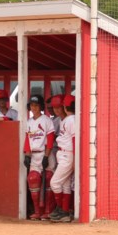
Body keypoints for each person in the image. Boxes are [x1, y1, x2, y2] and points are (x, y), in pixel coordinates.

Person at [24, 95, 55, 220]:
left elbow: (51, 139)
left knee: (48, 179)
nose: (34, 108)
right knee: (33, 179)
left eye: (36, 105)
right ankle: (37, 211)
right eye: (32, 105)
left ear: (41, 106)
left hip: (45, 153)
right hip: (34, 155)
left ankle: (47, 211)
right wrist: (27, 155)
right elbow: (27, 139)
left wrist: (46, 156)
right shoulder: (29, 122)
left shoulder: (46, 120)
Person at [48, 94, 77, 223]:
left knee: (54, 183)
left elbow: (75, 140)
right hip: (63, 154)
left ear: (65, 107)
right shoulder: (65, 120)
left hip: (68, 154)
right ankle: (65, 214)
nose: (57, 110)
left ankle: (62, 209)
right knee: (65, 186)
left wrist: (75, 160)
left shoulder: (71, 119)